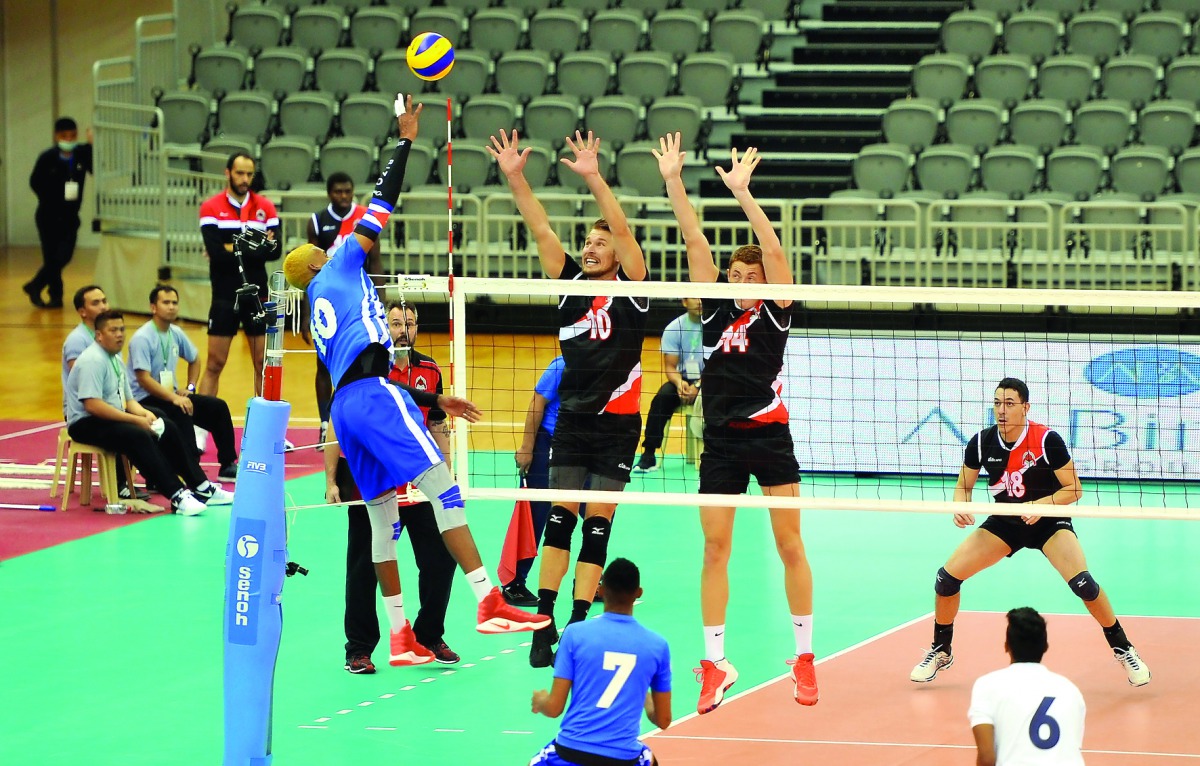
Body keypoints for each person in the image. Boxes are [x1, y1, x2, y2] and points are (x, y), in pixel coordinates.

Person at [283, 93, 550, 643]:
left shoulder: (316, 310)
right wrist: (406, 138)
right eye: (322, 247)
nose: (332, 245)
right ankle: (489, 600)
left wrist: (429, 401)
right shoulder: (341, 267)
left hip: (349, 406)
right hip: (374, 397)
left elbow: (363, 368)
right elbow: (385, 199)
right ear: (316, 263)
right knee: (445, 489)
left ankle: (401, 632)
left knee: (383, 520)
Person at [655, 132, 819, 712]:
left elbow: (774, 255)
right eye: (733, 275)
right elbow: (694, 238)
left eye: (747, 276)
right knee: (714, 550)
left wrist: (744, 195)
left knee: (789, 544)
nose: (739, 280)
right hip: (721, 440)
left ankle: (804, 657)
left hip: (770, 435)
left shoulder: (776, 312)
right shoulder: (716, 306)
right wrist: (674, 181)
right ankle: (716, 663)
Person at [489, 128, 649, 668]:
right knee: (560, 517)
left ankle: (579, 625)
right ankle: (546, 620)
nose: (591, 246)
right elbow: (538, 225)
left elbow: (623, 228)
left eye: (600, 242)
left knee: (598, 523)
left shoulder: (634, 288)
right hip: (576, 422)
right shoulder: (568, 285)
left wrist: (593, 176)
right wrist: (514, 176)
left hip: (621, 424)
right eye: (588, 241)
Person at [911, 377, 1152, 688]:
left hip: (1049, 521)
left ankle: (1124, 648)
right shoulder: (982, 442)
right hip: (1006, 521)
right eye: (997, 403)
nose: (1002, 410)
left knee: (1084, 585)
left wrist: (1041, 504)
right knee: (946, 580)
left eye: (1009, 404)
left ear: (1025, 407)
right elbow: (963, 485)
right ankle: (941, 650)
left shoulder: (1046, 440)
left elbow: (1074, 488)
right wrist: (961, 505)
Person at [326, 299, 462, 673]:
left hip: (417, 480)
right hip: (371, 479)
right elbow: (336, 425)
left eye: (410, 323)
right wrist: (330, 480)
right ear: (382, 326)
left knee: (439, 558)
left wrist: (446, 476)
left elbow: (437, 423)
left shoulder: (429, 369)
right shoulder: (360, 366)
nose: (404, 329)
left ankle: (428, 635)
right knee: (364, 565)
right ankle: (359, 648)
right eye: (396, 322)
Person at [65, 310, 233, 516]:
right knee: (137, 435)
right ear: (99, 335)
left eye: (121, 329)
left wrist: (144, 414)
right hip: (85, 423)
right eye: (113, 330)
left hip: (109, 415)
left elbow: (128, 400)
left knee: (166, 424)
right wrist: (136, 420)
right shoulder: (93, 360)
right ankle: (176, 495)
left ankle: (201, 486)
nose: (119, 334)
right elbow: (93, 405)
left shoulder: (115, 359)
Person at [530, 558, 672, 766]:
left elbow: (554, 708)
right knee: (650, 760)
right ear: (638, 593)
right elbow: (663, 720)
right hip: (624, 758)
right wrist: (643, 694)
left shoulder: (575, 634)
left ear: (601, 590)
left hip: (572, 752)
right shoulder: (657, 646)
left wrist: (540, 700)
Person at [127, 285, 239, 481]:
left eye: (174, 303)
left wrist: (190, 388)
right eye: (166, 303)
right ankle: (190, 470)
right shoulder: (142, 338)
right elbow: (143, 379)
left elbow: (195, 359)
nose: (171, 307)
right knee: (181, 410)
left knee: (217, 407)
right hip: (143, 398)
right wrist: (174, 398)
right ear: (153, 307)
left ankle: (227, 465)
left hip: (169, 394)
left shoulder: (176, 333)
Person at [305, 172, 383, 448]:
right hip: (328, 302)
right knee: (323, 363)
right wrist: (307, 316)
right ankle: (325, 423)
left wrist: (381, 301)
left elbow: (375, 261)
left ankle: (358, 423)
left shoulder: (363, 218)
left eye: (347, 191)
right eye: (338, 191)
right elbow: (310, 271)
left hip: (357, 301)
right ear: (329, 193)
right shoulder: (317, 221)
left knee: (362, 361)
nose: (343, 196)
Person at [198, 152, 281, 398]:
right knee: (214, 364)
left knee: (261, 365)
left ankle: (264, 427)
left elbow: (273, 251)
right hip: (225, 294)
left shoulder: (265, 207)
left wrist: (231, 246)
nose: (245, 179)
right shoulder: (211, 207)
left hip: (257, 294)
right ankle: (201, 430)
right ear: (228, 173)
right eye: (239, 173)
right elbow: (216, 252)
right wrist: (254, 246)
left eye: (249, 174)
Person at [969, 607, 1086, 766]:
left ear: (1006, 646)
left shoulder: (987, 685)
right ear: (1046, 646)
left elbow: (987, 758)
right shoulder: (1070, 690)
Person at [505, 355, 566, 607]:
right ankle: (514, 583)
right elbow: (536, 403)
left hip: (581, 446)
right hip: (548, 441)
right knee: (535, 513)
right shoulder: (562, 364)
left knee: (595, 508)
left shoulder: (605, 362)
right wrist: (527, 448)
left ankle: (591, 580)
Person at [24, 117, 93, 309]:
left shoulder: (81, 153)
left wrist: (93, 145)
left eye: (72, 136)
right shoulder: (47, 157)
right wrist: (53, 196)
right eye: (64, 136)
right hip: (48, 215)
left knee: (64, 256)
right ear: (56, 136)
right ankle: (56, 297)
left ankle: (35, 285)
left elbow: (96, 169)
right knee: (51, 257)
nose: (68, 140)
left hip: (71, 216)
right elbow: (34, 182)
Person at [633, 298, 704, 473]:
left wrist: (699, 385)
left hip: (712, 380)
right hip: (684, 379)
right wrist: (680, 383)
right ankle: (649, 454)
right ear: (684, 301)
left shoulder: (716, 325)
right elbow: (670, 367)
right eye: (695, 297)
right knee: (662, 398)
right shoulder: (674, 328)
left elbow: (721, 365)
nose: (700, 301)